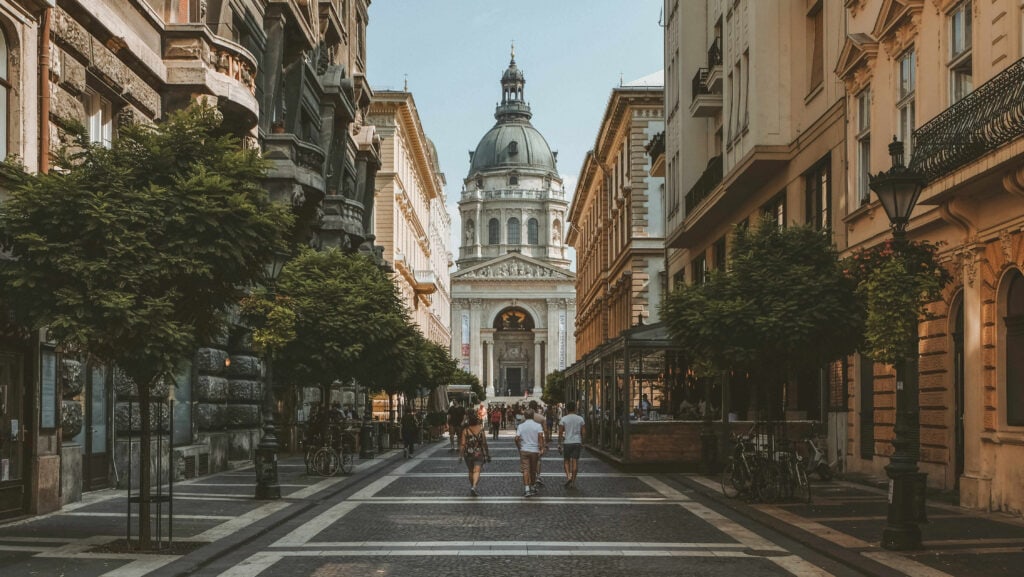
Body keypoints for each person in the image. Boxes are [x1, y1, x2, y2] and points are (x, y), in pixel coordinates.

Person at [515, 408, 545, 497]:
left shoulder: (521, 426)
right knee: (533, 470)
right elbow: (540, 438)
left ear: (525, 416)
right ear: (533, 416)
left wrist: (519, 447)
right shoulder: (538, 425)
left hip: (524, 450)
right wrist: (542, 448)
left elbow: (516, 438)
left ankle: (527, 489)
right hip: (534, 451)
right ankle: (532, 486)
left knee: (525, 470)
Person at [459, 413, 491, 496]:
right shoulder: (481, 429)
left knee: (470, 471)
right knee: (477, 470)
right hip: (478, 453)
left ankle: (472, 486)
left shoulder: (465, 430)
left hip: (468, 454)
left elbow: (462, 444)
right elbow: (484, 443)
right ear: (476, 420)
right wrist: (487, 454)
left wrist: (460, 456)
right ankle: (474, 486)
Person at [558, 401, 586, 489]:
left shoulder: (564, 419)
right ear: (575, 408)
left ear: (567, 409)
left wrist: (559, 444)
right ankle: (573, 482)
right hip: (577, 442)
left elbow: (560, 433)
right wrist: (583, 442)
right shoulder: (580, 419)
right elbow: (584, 432)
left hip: (567, 442)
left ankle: (568, 477)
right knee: (575, 462)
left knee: (566, 461)